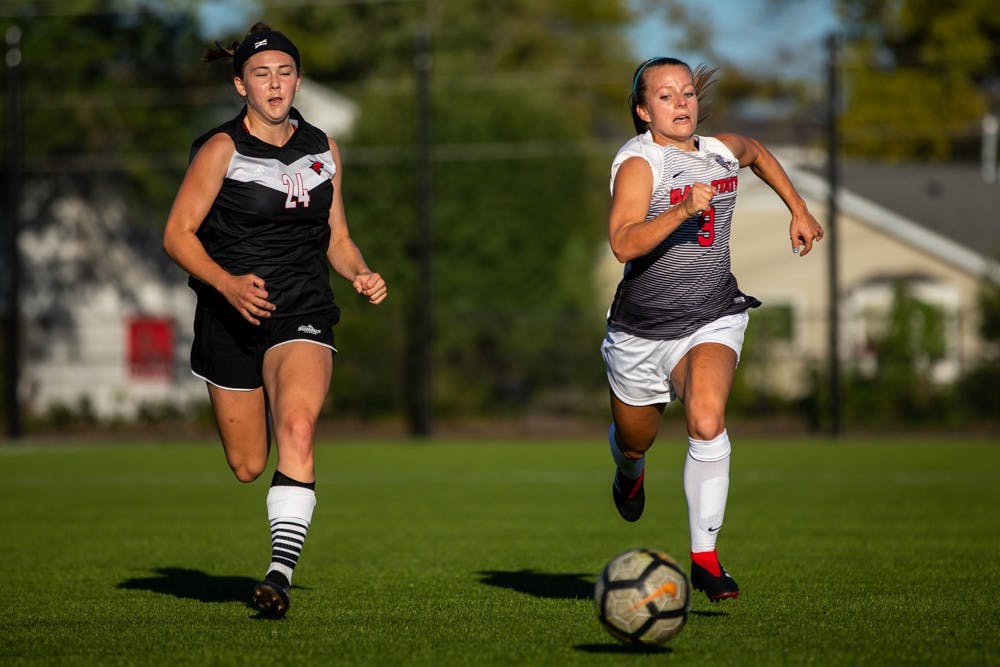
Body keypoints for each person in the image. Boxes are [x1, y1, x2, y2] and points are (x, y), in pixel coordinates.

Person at [162, 22, 387, 618]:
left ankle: (278, 576)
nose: (275, 83)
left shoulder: (323, 148)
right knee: (248, 465)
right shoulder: (221, 149)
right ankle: (274, 549)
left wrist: (359, 271)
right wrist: (227, 283)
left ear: (298, 81)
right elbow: (177, 235)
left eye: (285, 72)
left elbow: (337, 238)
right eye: (261, 74)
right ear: (241, 84)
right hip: (228, 313)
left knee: (299, 427)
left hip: (302, 308)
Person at [601, 57, 823, 602]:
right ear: (642, 110)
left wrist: (797, 207)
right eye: (665, 96)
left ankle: (705, 558)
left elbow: (757, 153)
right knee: (637, 439)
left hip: (712, 313)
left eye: (686, 93)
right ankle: (630, 470)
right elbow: (623, 243)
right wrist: (680, 212)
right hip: (641, 331)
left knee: (706, 417)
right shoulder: (638, 164)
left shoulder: (720, 152)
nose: (680, 103)